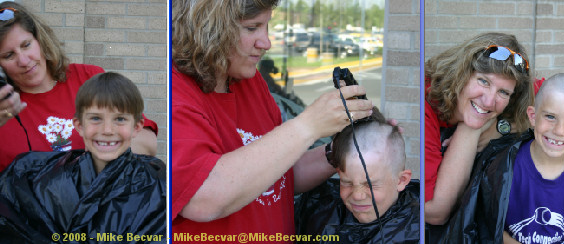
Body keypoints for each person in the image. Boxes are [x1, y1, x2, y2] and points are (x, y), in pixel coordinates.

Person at [171, 0, 373, 239]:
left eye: (266, 27)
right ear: (209, 28)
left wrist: (340, 149)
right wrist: (308, 125)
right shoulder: (176, 93)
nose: (265, 43)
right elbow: (203, 198)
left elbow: (280, 174)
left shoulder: (251, 82)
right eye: (251, 27)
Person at [0, 72, 166, 243]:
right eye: (95, 118)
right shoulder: (36, 177)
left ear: (137, 127)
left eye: (120, 119)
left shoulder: (157, 184)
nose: (107, 130)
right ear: (79, 126)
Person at [0, 2, 158, 170]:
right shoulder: (4, 109)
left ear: (40, 40)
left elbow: (147, 143)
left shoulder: (88, 78)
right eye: (9, 55)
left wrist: (89, 169)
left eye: (26, 45)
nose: (24, 61)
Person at [424, 32, 533, 225]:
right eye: (483, 81)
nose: (489, 101)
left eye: (503, 92)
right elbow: (436, 212)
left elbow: (554, 100)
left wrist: (497, 126)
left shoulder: (506, 102)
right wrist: (471, 130)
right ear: (461, 74)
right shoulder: (423, 107)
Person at [500, 73, 564, 243]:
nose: (560, 131)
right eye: (551, 117)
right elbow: (490, 225)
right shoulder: (505, 168)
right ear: (532, 116)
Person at [295, 108, 419, 243]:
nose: (357, 195)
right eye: (346, 182)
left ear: (401, 180)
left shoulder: (419, 230)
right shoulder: (318, 211)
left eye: (370, 184)